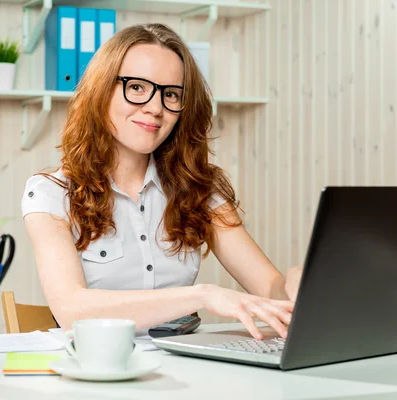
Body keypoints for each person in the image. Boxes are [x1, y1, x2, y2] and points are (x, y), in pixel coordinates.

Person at [21, 23, 303, 340]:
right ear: (101, 91)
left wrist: (293, 282)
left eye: (170, 94)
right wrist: (201, 295)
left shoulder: (200, 189)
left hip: (183, 371)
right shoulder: (49, 193)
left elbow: (269, 289)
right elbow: (72, 310)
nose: (155, 108)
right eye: (137, 87)